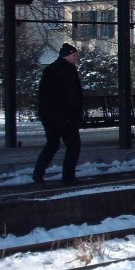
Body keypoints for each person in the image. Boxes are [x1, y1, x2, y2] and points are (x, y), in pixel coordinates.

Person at [33, 43, 84, 185]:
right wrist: (74, 114)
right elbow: (71, 95)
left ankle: (38, 172)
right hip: (64, 115)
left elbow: (44, 94)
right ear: (66, 55)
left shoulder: (50, 70)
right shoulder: (67, 71)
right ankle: (68, 176)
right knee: (73, 145)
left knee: (52, 144)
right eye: (74, 55)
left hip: (48, 114)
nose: (76, 58)